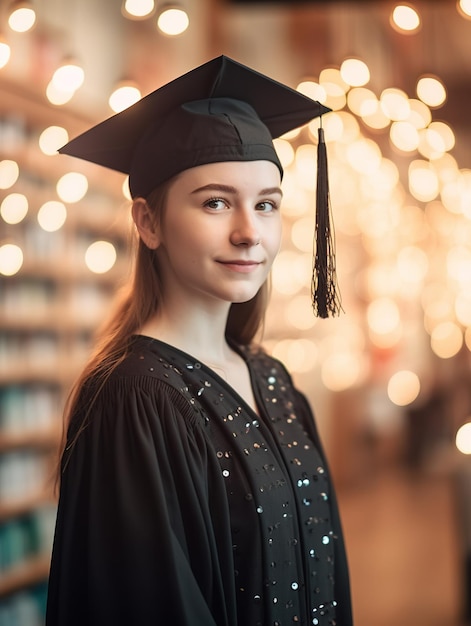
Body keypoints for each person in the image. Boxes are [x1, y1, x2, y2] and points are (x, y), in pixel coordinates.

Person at [46, 55, 352, 626]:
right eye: (215, 202)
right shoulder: (133, 399)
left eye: (266, 204)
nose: (249, 232)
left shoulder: (273, 380)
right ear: (148, 222)